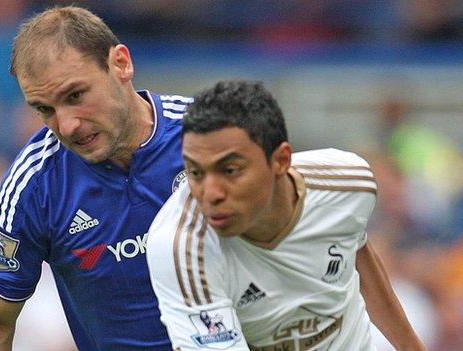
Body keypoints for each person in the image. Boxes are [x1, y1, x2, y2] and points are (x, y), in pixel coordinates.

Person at [0, 6, 193, 350]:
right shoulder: (34, 186)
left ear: (121, 64)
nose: (66, 126)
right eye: (45, 109)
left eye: (76, 96)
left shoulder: (208, 135)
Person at [146, 80, 426, 350]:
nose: (210, 193)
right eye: (195, 172)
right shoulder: (181, 248)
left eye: (230, 170)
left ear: (280, 160)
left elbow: (355, 251)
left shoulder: (350, 182)